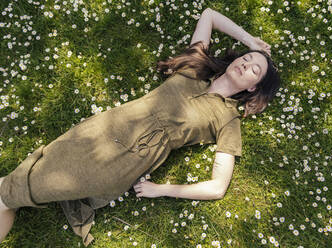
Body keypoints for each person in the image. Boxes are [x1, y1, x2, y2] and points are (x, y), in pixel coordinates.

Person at [0, 7, 280, 246]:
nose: (246, 64)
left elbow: (218, 187)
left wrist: (163, 189)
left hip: (125, 160)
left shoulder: (228, 119)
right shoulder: (197, 68)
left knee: (11, 192)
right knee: (24, 179)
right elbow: (208, 15)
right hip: (104, 127)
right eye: (245, 58)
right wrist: (251, 42)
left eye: (254, 69)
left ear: (254, 87)